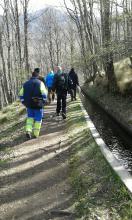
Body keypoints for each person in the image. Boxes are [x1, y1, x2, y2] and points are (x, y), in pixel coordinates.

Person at [19, 68, 47, 139]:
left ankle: (28, 130)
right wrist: (44, 100)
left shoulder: (25, 84)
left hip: (28, 104)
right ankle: (36, 134)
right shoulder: (40, 83)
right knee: (38, 119)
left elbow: (21, 94)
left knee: (30, 118)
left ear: (31, 76)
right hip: (38, 103)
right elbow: (44, 93)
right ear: (37, 76)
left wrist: (23, 101)